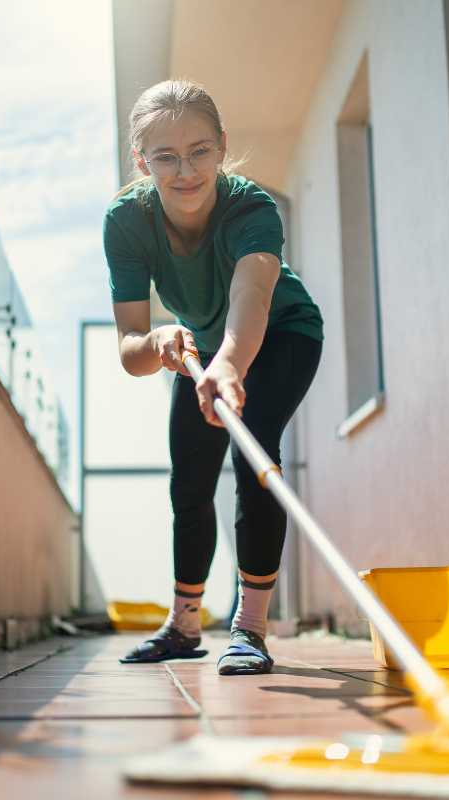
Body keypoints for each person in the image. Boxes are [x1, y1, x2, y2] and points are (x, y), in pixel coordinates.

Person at [102, 79, 324, 676]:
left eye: (199, 151)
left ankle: (250, 629)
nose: (184, 171)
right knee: (190, 481)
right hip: (197, 345)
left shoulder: (252, 208)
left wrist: (229, 365)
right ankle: (184, 625)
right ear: (140, 159)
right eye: (165, 155)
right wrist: (159, 342)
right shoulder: (126, 222)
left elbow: (251, 299)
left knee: (256, 455)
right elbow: (130, 349)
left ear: (222, 146)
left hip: (281, 336)